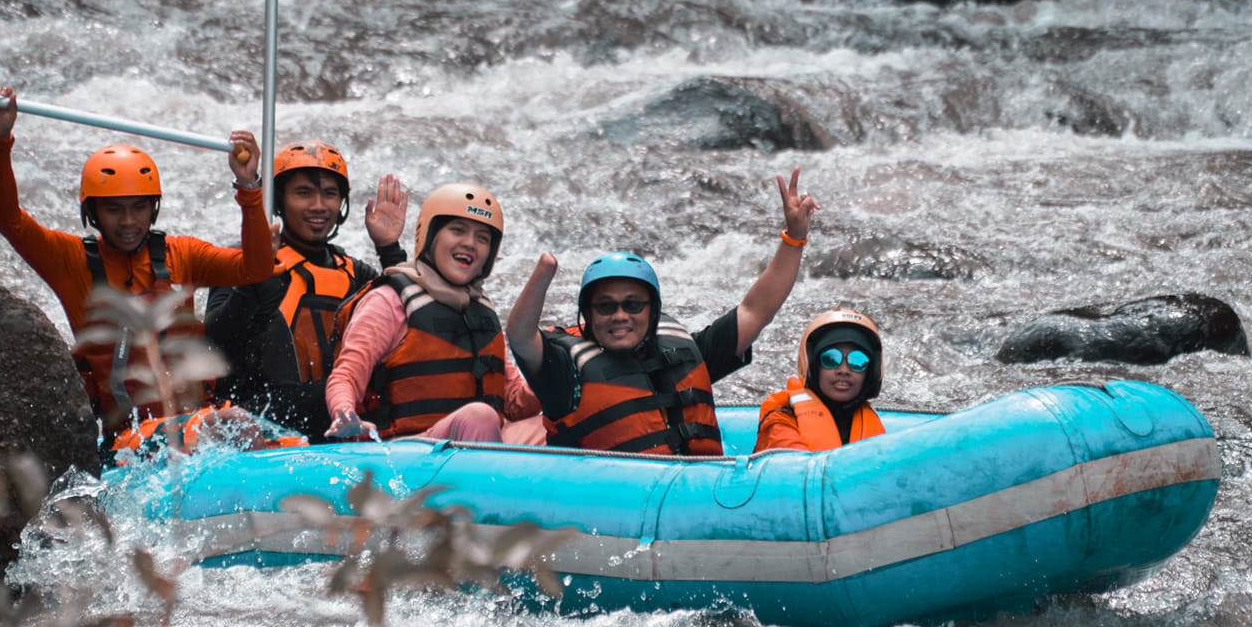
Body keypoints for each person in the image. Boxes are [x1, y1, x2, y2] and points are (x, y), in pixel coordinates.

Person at [0, 81, 273, 450]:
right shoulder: (69, 260)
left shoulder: (182, 254)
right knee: (239, 425)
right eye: (114, 209)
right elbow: (6, 218)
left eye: (139, 207)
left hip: (198, 420)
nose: (129, 221)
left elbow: (256, 270)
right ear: (93, 212)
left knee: (275, 435)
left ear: (154, 208)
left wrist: (249, 188)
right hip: (128, 441)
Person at [507, 169, 819, 455]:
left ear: (652, 312)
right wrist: (544, 274)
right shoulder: (564, 372)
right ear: (587, 314)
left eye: (633, 305)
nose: (619, 316)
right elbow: (521, 337)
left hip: (697, 489)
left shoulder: (685, 351)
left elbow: (756, 311)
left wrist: (794, 239)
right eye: (605, 307)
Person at [204, 141, 409, 443]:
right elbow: (214, 342)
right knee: (337, 395)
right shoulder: (241, 259)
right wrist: (255, 280)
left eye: (329, 194)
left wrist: (389, 249)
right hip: (261, 412)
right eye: (303, 193)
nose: (318, 206)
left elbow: (411, 316)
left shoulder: (355, 273)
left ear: (341, 202)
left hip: (333, 406)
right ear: (280, 201)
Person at [324, 181, 542, 444]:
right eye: (458, 231)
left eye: (482, 238)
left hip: (474, 445)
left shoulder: (481, 311)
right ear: (430, 236)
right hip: (401, 451)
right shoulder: (388, 302)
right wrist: (343, 411)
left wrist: (551, 371)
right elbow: (346, 374)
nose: (470, 244)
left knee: (550, 425)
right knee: (480, 417)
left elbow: (516, 405)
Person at [753, 309, 886, 452]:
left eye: (858, 361)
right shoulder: (781, 416)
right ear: (814, 366)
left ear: (870, 372)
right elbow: (795, 464)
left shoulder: (870, 420)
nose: (844, 370)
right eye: (831, 359)